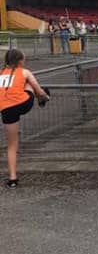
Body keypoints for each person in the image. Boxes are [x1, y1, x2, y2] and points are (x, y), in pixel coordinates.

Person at [0, 49, 50, 188]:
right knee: (30, 85)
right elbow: (38, 90)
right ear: (20, 61)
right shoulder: (24, 71)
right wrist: (45, 96)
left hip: (6, 109)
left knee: (12, 145)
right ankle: (43, 100)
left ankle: (13, 178)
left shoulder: (1, 74)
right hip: (23, 103)